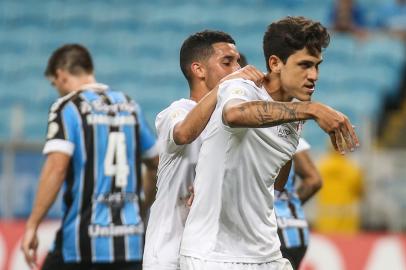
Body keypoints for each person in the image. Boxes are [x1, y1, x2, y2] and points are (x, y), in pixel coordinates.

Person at [179, 16, 359, 270]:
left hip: (266, 251)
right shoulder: (242, 86)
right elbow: (234, 114)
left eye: (317, 66)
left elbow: (277, 182)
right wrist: (311, 110)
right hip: (214, 254)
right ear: (274, 63)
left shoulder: (293, 115)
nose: (313, 76)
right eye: (304, 65)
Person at [21, 44, 159, 270]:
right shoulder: (129, 105)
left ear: (61, 75)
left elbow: (56, 167)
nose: (57, 90)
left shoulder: (67, 107)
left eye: (55, 85)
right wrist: (141, 207)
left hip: (82, 243)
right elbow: (156, 163)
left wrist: (32, 226)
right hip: (131, 241)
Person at [143, 30, 264, 270]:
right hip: (169, 254)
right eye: (227, 62)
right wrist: (226, 86)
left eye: (238, 62)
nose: (237, 69)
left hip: (212, 255)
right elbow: (184, 133)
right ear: (198, 70)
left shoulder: (233, 124)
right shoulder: (177, 111)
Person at [274, 138, 322, 270]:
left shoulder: (249, 130)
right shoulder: (289, 131)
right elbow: (314, 180)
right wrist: (289, 206)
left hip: (272, 233)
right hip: (295, 229)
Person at [314, 146, 364, 234]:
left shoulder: (321, 167)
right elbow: (361, 193)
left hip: (325, 222)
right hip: (348, 224)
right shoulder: (353, 169)